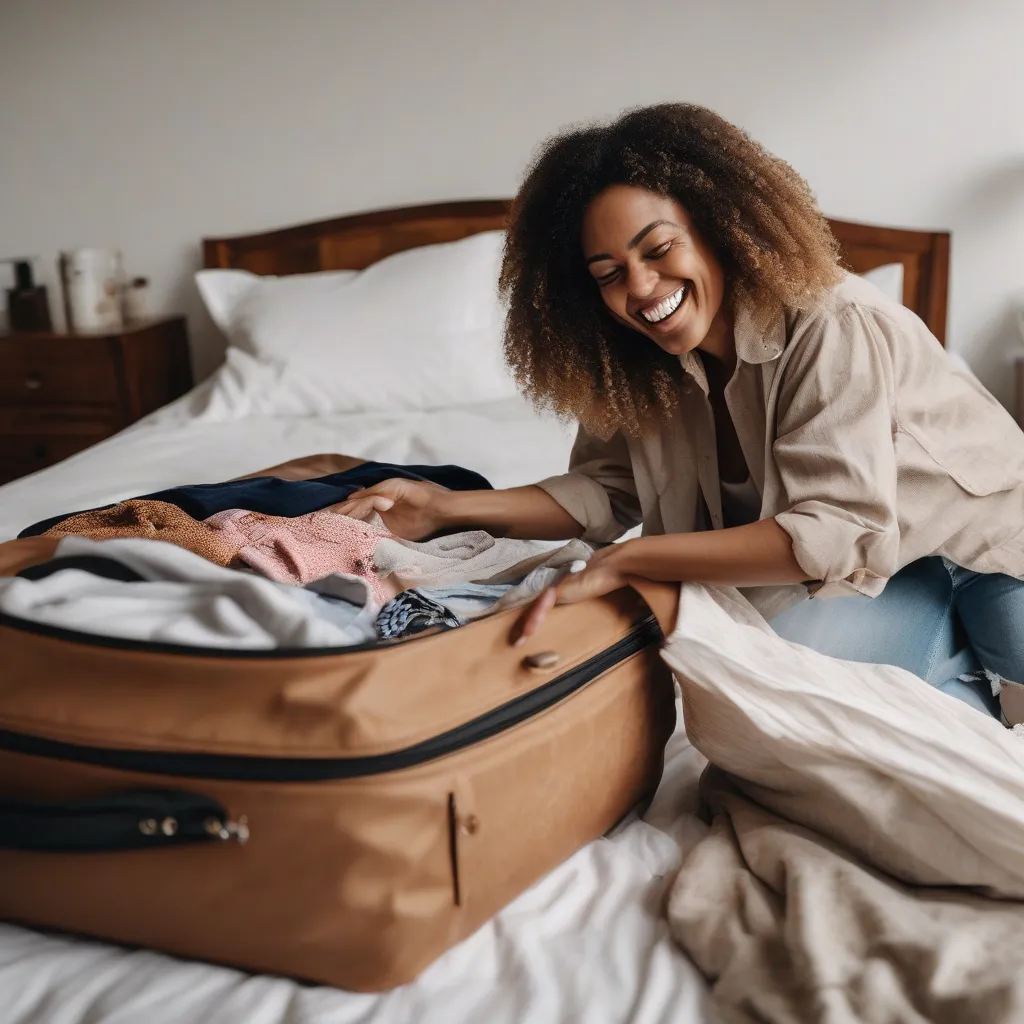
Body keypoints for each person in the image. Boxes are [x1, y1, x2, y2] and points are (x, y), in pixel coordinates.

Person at [335, 103, 1024, 723]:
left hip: (988, 552)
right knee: (742, 683)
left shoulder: (833, 322)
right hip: (881, 570)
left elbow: (831, 533)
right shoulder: (632, 357)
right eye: (606, 274)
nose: (639, 288)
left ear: (719, 227)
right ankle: (957, 683)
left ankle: (961, 650)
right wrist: (444, 508)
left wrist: (641, 559)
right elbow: (607, 490)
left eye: (659, 250)